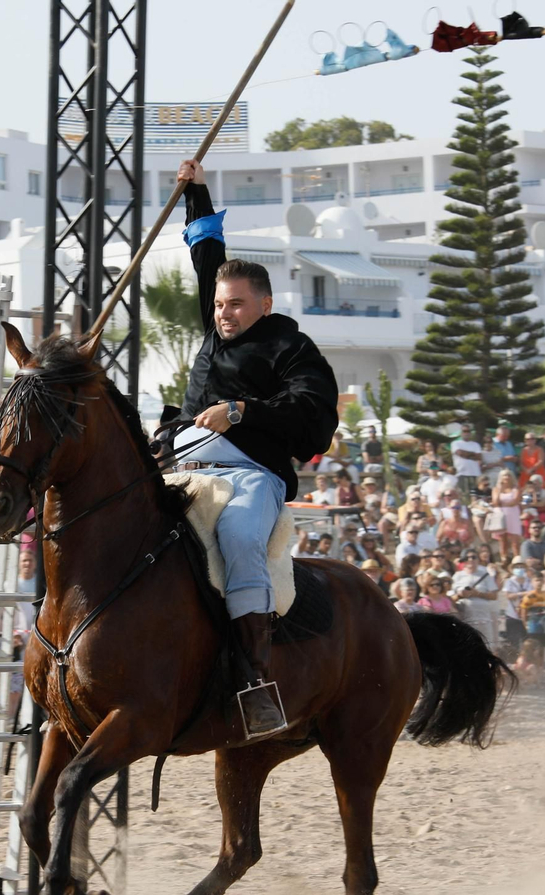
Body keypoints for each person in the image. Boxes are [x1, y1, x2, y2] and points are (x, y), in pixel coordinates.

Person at [171, 156, 339, 737]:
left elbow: (313, 410)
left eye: (236, 304)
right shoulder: (214, 321)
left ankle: (253, 681)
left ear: (263, 304)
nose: (223, 313)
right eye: (219, 305)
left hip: (249, 476)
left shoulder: (291, 348)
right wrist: (196, 190)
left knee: (241, 537)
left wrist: (242, 411)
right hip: (179, 463)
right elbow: (207, 255)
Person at [450, 549, 500, 646]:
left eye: (474, 557)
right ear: (463, 560)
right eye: (468, 558)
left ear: (478, 559)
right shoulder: (457, 576)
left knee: (487, 644)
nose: (471, 560)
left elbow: (494, 595)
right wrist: (460, 595)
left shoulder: (485, 575)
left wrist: (477, 594)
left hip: (484, 617)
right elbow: (450, 598)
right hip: (466, 617)